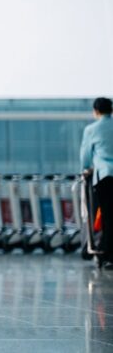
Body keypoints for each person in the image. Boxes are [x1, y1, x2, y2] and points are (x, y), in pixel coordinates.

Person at [80, 97, 113, 269]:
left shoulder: (91, 129)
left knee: (107, 215)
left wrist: (85, 168)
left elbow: (85, 155)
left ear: (96, 111)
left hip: (105, 176)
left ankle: (107, 254)